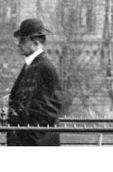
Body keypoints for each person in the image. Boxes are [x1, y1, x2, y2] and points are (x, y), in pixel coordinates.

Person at [5, 17, 67, 146]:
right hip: (25, 140)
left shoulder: (45, 67)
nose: (18, 44)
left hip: (36, 142)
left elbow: (55, 104)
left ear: (35, 43)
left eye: (22, 40)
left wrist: (32, 134)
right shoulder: (31, 65)